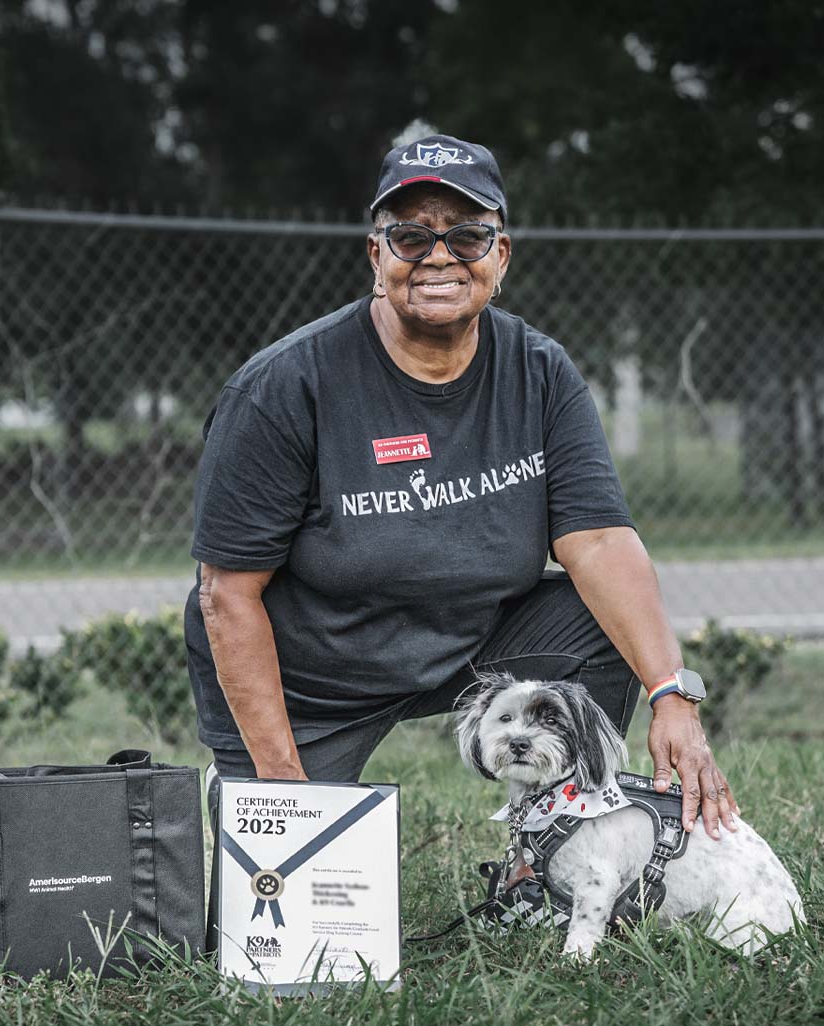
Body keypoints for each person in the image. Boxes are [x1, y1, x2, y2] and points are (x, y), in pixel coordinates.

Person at [184, 135, 739, 860]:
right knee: (285, 893)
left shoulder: (539, 371)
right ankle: (265, 784)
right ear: (377, 255)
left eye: (468, 236)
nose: (439, 256)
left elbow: (600, 542)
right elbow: (227, 593)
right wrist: (288, 790)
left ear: (500, 256)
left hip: (467, 644)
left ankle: (549, 858)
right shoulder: (283, 387)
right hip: (311, 685)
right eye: (411, 236)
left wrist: (672, 694)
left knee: (599, 625)